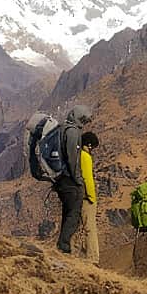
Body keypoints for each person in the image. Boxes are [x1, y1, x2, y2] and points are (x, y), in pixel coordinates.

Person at [54, 105, 93, 254]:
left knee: (68, 212)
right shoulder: (72, 132)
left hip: (61, 178)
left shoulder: (63, 129)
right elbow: (72, 159)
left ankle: (63, 246)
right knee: (74, 215)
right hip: (69, 179)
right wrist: (78, 180)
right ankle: (63, 246)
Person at [74, 131, 101, 263]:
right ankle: (92, 258)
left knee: (76, 226)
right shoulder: (85, 157)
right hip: (85, 197)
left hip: (75, 196)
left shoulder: (75, 155)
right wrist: (92, 197)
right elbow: (88, 178)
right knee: (90, 228)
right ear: (88, 145)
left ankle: (73, 253)